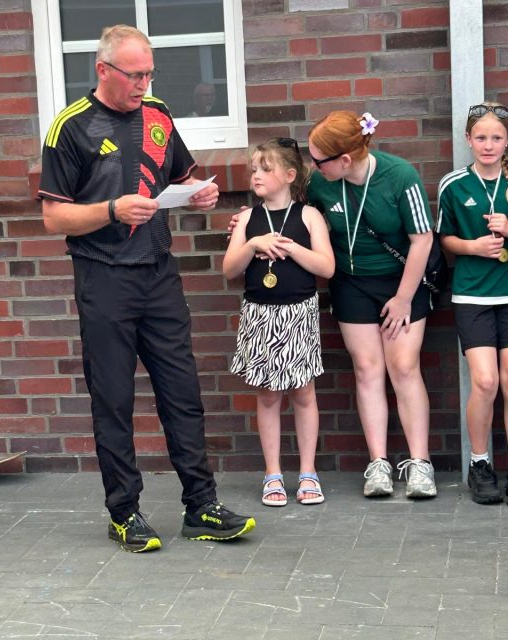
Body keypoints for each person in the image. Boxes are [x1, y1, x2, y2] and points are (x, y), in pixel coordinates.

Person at [38, 24, 255, 552]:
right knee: (113, 398)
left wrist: (197, 194)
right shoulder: (70, 127)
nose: (144, 84)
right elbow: (53, 217)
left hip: (158, 272)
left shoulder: (157, 113)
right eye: (135, 75)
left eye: (149, 74)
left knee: (183, 392)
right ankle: (124, 513)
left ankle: (201, 506)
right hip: (103, 276)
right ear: (103, 70)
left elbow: (178, 176)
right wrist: (112, 209)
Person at [306, 110, 437, 499]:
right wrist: (249, 222)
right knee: (366, 369)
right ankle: (378, 463)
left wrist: (403, 299)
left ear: (345, 160)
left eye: (319, 160)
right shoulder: (321, 182)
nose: (314, 166)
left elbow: (423, 239)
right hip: (352, 283)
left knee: (403, 367)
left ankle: (420, 463)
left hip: (401, 281)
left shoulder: (400, 176)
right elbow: (294, 214)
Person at [223, 138, 334, 506]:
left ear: (289, 175)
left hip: (299, 313)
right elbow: (230, 269)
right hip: (260, 314)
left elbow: (327, 267)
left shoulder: (308, 216)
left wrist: (292, 248)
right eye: (254, 169)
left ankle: (308, 472)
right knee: (268, 395)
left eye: (265, 169)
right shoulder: (248, 219)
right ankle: (273, 473)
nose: (256, 175)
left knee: (303, 392)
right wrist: (252, 245)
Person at [436, 101, 508, 504]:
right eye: (481, 137)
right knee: (486, 381)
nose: (488, 144)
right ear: (468, 139)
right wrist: (473, 247)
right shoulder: (453, 185)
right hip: (473, 295)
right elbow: (444, 239)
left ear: (507, 141)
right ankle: (480, 464)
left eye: (496, 137)